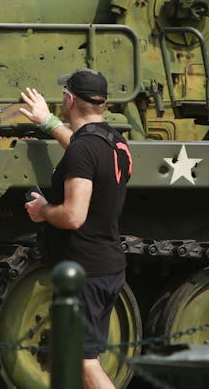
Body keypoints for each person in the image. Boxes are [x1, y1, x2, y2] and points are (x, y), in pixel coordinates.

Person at [20, 68, 132, 389]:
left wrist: (42, 210)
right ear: (103, 104)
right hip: (108, 265)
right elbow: (84, 151)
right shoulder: (115, 142)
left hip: (86, 270)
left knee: (83, 363)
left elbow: (73, 216)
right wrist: (49, 123)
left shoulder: (83, 151)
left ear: (68, 99)